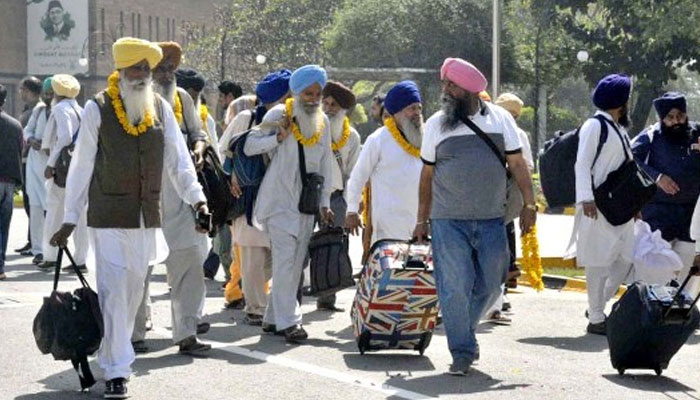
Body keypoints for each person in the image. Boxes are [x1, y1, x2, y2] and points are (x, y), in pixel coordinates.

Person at [50, 37, 210, 399]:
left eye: (145, 69)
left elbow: (179, 160)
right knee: (114, 290)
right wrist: (70, 217)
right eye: (135, 68)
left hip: (145, 217)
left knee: (134, 290)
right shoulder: (97, 108)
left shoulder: (160, 108)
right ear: (120, 71)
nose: (142, 75)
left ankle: (111, 356)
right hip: (107, 216)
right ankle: (118, 370)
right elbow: (81, 166)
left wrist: (197, 200)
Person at [413, 58, 536, 375]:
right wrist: (421, 219)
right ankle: (463, 351)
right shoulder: (438, 124)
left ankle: (463, 329)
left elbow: (518, 165)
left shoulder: (499, 120)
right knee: (454, 286)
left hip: (491, 219)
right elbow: (426, 176)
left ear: (467, 89)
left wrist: (530, 203)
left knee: (494, 281)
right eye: (444, 84)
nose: (445, 90)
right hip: (447, 221)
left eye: (450, 85)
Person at [132, 41, 211, 355]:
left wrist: (199, 149)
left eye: (169, 69)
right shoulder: (128, 102)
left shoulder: (181, 99)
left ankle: (186, 333)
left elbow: (198, 133)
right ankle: (135, 335)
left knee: (189, 262)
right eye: (159, 69)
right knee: (139, 269)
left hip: (180, 197)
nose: (165, 74)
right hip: (142, 200)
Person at [244, 65, 333, 343]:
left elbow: (327, 162)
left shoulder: (323, 122)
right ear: (296, 92)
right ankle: (290, 322)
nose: (314, 98)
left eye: (318, 93)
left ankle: (272, 318)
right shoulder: (279, 114)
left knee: (295, 264)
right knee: (284, 262)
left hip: (306, 203)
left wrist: (326, 201)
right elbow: (249, 146)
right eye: (308, 93)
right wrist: (278, 137)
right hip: (279, 201)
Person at [570, 74, 635, 336]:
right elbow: (582, 164)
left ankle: (598, 305)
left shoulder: (619, 128)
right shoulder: (595, 126)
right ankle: (596, 317)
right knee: (597, 262)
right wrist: (586, 198)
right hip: (596, 205)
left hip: (621, 207)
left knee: (627, 259)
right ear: (620, 102)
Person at [226, 70, 291, 325]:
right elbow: (226, 148)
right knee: (252, 253)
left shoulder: (296, 120)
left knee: (275, 255)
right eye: (289, 95)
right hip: (249, 192)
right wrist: (231, 176)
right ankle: (255, 307)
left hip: (281, 196)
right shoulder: (248, 117)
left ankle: (262, 297)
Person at [631, 92, 700, 295]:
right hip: (658, 213)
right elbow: (631, 158)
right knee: (655, 270)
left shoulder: (696, 132)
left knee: (687, 271)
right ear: (662, 119)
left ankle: (683, 316)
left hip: (690, 215)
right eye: (670, 118)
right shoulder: (651, 136)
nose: (676, 121)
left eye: (680, 116)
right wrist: (658, 177)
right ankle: (650, 310)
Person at [345, 81, 424, 243]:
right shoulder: (378, 140)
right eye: (411, 109)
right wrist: (352, 210)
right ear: (397, 113)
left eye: (418, 108)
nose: (416, 113)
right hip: (388, 227)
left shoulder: (427, 138)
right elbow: (358, 176)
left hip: (420, 225)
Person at [312, 80, 361, 311]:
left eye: (334, 105)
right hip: (310, 195)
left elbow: (353, 173)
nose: (329, 108)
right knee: (301, 247)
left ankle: (326, 298)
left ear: (343, 110)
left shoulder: (351, 136)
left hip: (337, 197)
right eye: (326, 103)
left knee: (333, 248)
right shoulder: (311, 127)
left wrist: (352, 204)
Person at [40, 74, 88, 272]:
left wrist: (51, 164)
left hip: (62, 168)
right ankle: (80, 259)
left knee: (54, 211)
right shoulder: (81, 109)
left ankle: (50, 256)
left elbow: (65, 137)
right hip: (79, 167)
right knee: (80, 214)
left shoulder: (60, 108)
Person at [22, 78, 53, 265]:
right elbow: (27, 130)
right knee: (35, 208)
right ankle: (38, 250)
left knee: (51, 210)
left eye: (51, 94)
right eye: (46, 94)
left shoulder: (61, 112)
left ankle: (51, 250)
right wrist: (32, 139)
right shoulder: (39, 111)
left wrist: (49, 146)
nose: (48, 97)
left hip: (51, 167)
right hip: (34, 166)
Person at [14, 76, 43, 258]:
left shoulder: (37, 110)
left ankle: (37, 242)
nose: (20, 93)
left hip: (31, 162)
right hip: (25, 160)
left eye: (23, 89)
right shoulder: (30, 109)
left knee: (33, 203)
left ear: (30, 91)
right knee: (29, 203)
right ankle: (33, 240)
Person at [0, 84, 24, 281]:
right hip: (8, 183)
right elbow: (20, 150)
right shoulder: (15, 125)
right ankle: (0, 267)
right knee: (3, 226)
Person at [176, 68, 217, 145]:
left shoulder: (207, 119)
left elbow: (213, 148)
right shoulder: (168, 114)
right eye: (188, 97)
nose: (191, 102)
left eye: (194, 98)